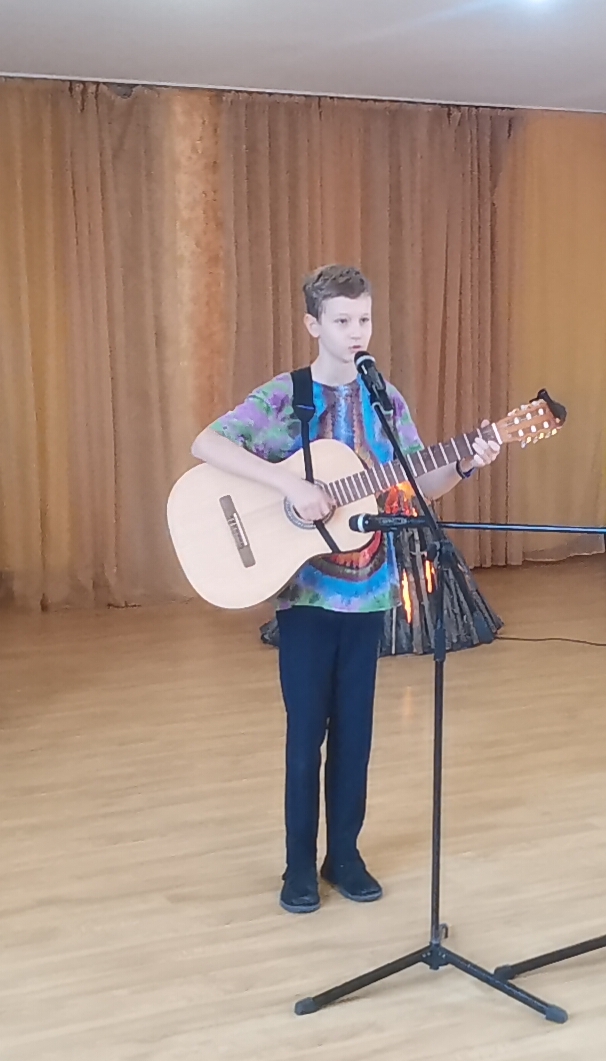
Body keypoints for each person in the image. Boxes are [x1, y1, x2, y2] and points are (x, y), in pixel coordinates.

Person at [190, 264, 500, 913]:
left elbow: (417, 484)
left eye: (364, 319)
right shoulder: (289, 396)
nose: (356, 332)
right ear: (313, 324)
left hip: (370, 592)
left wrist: (466, 460)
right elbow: (207, 443)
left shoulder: (385, 401)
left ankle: (346, 855)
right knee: (307, 733)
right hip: (305, 598)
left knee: (355, 734)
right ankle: (298, 866)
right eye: (341, 321)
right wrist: (290, 486)